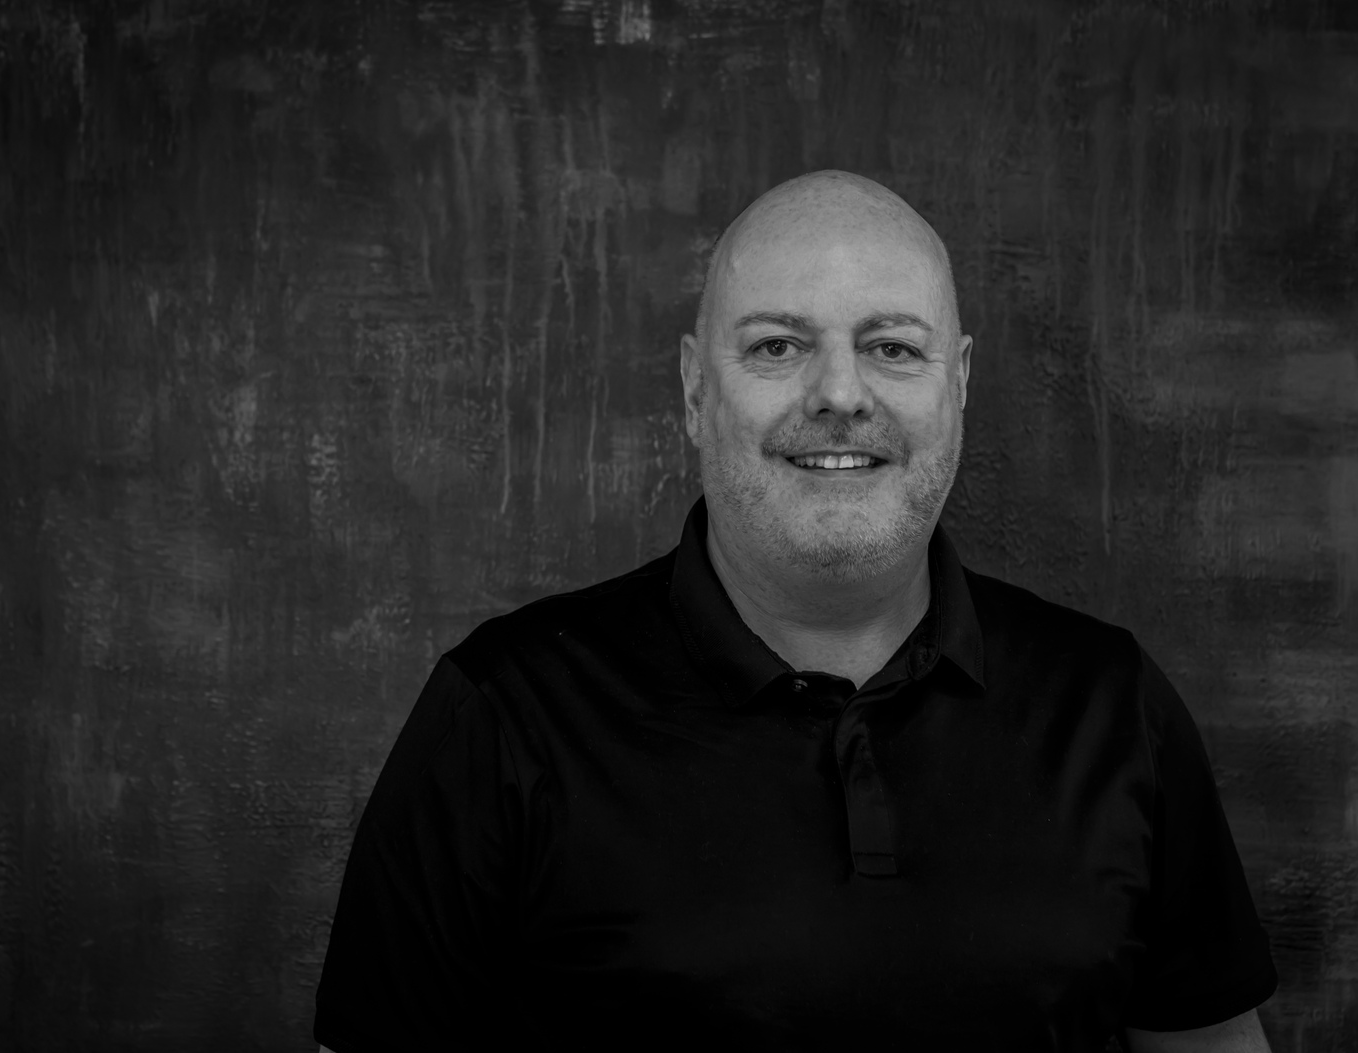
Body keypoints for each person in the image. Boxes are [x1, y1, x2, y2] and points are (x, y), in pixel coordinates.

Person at [313, 171, 1277, 1051]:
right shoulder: (501, 717)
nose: (841, 395)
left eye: (892, 347)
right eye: (778, 345)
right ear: (697, 388)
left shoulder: (1113, 705)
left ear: (959, 383)